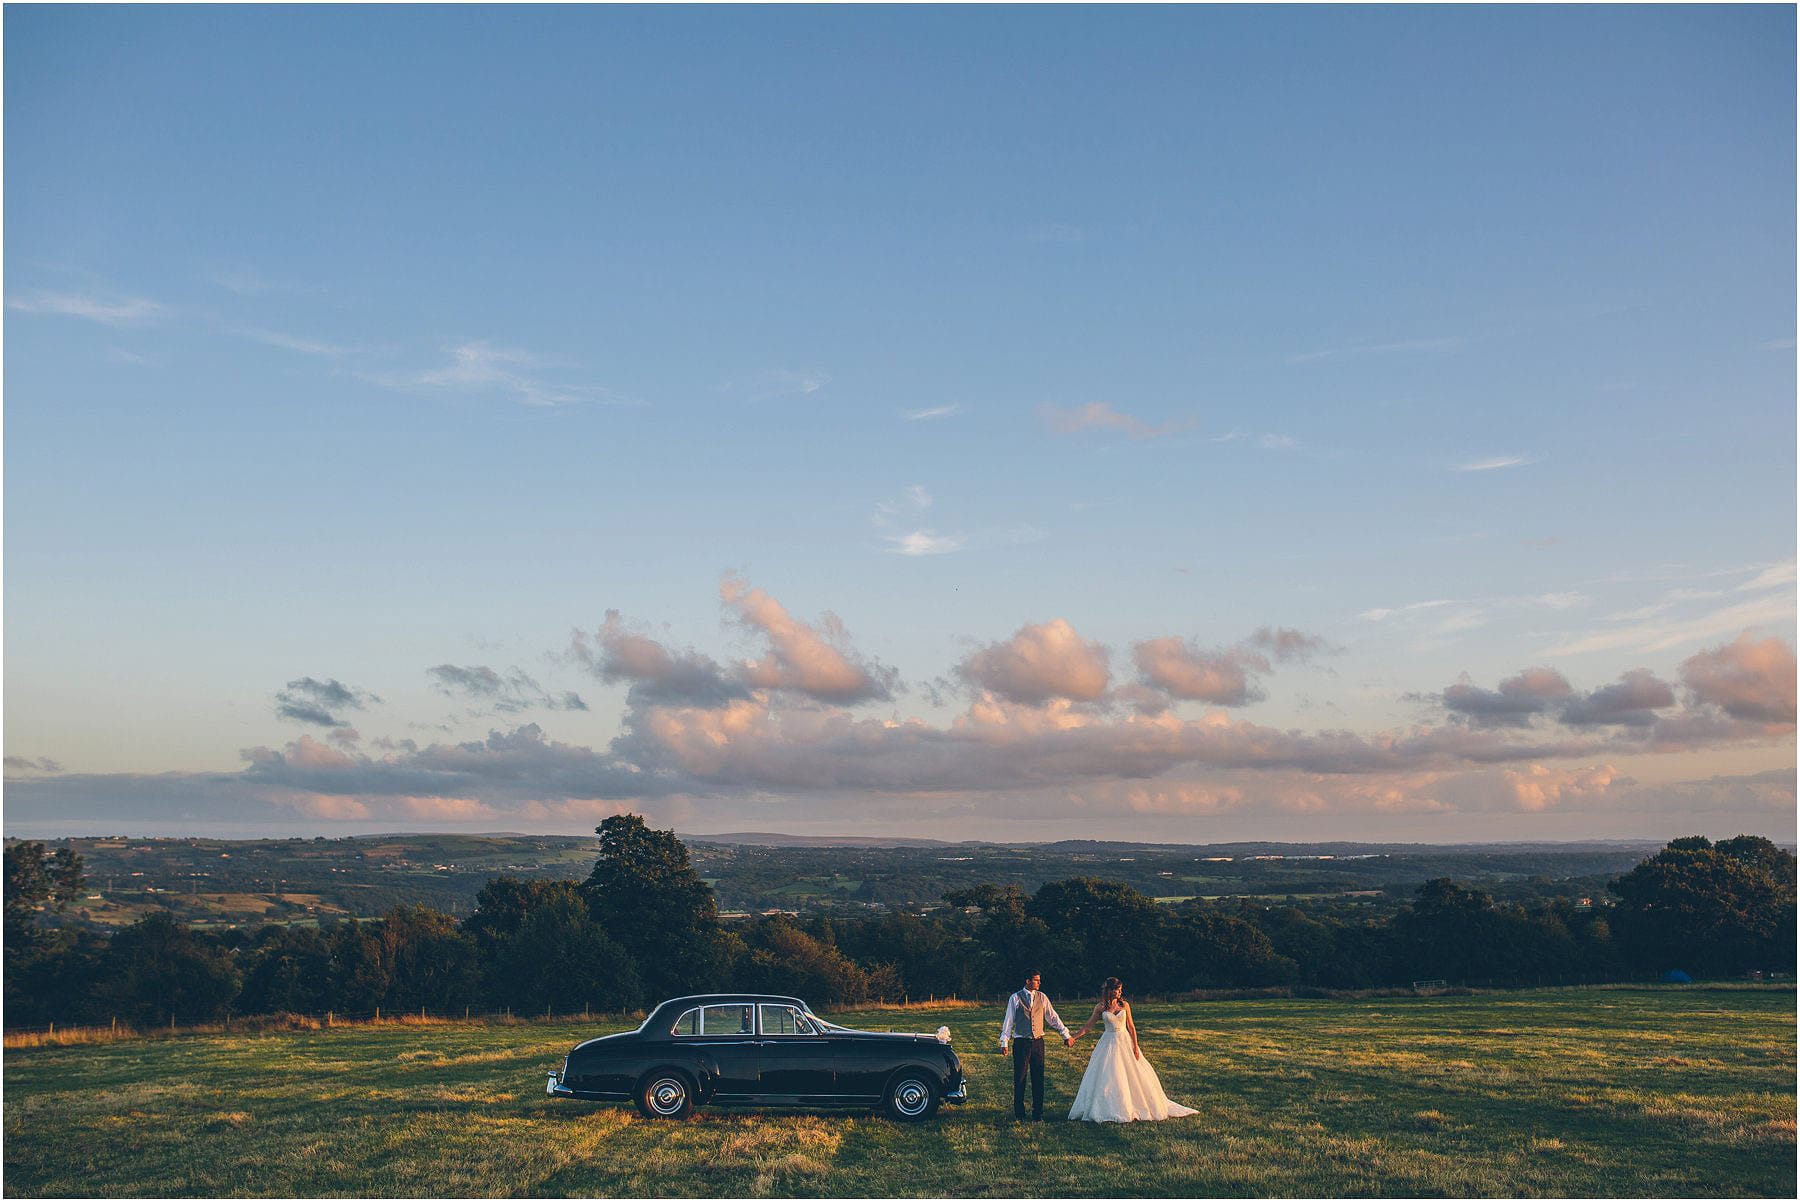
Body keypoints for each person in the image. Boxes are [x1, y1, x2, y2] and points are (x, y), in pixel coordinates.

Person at [1067, 977, 1196, 1123]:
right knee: (1108, 1075)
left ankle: (1134, 1104)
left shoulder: (1125, 1005)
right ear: (1109, 990)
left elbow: (1131, 1027)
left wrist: (1135, 1046)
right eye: (1117, 989)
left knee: (1134, 1074)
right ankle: (1108, 1107)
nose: (1120, 992)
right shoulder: (1100, 1007)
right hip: (1108, 1042)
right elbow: (1088, 1026)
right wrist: (1073, 1038)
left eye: (1121, 990)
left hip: (1124, 1042)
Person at [998, 970, 1075, 1121]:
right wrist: (1004, 1041)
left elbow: (1053, 1017)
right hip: (1021, 1042)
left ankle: (1037, 1113)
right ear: (1027, 981)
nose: (1039, 983)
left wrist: (1065, 1034)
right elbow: (1008, 1021)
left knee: (1038, 1078)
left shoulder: (1042, 997)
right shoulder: (1015, 998)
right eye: (1036, 980)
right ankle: (1019, 1113)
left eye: (1039, 980)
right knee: (1020, 1078)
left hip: (1038, 1042)